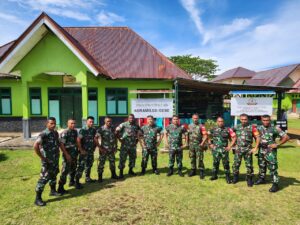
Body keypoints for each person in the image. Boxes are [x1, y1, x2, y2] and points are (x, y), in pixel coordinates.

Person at [34, 117, 71, 206]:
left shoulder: (55, 133)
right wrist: (42, 157)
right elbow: (35, 145)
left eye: (54, 123)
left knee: (54, 175)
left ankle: (53, 191)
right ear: (47, 124)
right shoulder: (44, 134)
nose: (53, 125)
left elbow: (59, 144)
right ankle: (37, 198)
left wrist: (66, 154)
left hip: (55, 159)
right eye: (51, 123)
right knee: (44, 178)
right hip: (47, 161)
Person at [255, 114, 290, 192]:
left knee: (273, 168)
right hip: (261, 150)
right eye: (264, 120)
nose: (266, 122)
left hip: (270, 151)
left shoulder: (275, 128)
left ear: (270, 120)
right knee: (261, 165)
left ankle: (275, 184)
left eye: (267, 120)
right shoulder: (259, 128)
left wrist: (277, 144)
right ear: (261, 120)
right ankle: (262, 179)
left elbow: (286, 137)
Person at [232, 114, 260, 187]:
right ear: (240, 119)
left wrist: (255, 147)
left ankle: (249, 179)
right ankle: (235, 177)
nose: (244, 121)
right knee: (236, 164)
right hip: (238, 149)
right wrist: (233, 144)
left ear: (247, 119)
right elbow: (231, 135)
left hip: (248, 149)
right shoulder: (236, 127)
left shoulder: (252, 128)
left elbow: (257, 137)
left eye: (245, 119)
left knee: (249, 165)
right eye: (242, 119)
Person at [208, 117, 236, 184]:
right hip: (216, 150)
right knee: (215, 163)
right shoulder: (213, 129)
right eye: (219, 121)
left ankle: (228, 177)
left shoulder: (228, 129)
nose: (220, 123)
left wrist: (230, 146)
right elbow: (207, 135)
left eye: (222, 121)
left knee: (226, 164)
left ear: (223, 122)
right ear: (217, 122)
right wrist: (210, 144)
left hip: (224, 150)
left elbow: (234, 137)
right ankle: (214, 176)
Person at [75, 116, 98, 189]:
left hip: (90, 151)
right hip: (84, 152)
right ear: (86, 122)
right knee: (81, 166)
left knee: (89, 164)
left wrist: (94, 147)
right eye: (90, 122)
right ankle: (77, 182)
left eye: (92, 122)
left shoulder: (93, 130)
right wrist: (81, 150)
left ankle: (87, 178)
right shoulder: (83, 130)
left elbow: (94, 139)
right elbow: (78, 140)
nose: (91, 123)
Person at [58, 119, 79, 194]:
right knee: (65, 171)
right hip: (68, 155)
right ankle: (60, 187)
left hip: (74, 154)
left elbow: (76, 141)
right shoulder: (65, 132)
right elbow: (61, 144)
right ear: (68, 124)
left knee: (73, 168)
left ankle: (72, 182)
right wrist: (66, 155)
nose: (73, 125)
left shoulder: (75, 131)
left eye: (74, 123)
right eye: (71, 123)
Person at [97, 116, 119, 182]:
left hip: (111, 149)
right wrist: (100, 148)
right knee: (101, 163)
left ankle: (113, 175)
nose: (109, 122)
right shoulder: (101, 129)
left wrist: (116, 146)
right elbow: (95, 138)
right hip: (104, 150)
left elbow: (115, 137)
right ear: (105, 121)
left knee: (112, 162)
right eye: (108, 121)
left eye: (110, 121)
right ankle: (100, 177)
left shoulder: (112, 128)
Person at [187, 113, 208, 179]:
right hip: (191, 145)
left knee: (200, 159)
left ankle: (201, 171)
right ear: (192, 119)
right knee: (192, 158)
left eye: (196, 118)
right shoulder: (189, 126)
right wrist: (187, 143)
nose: (195, 119)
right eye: (194, 118)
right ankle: (193, 170)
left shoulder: (202, 126)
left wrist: (202, 143)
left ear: (198, 119)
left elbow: (205, 136)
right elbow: (188, 135)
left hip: (199, 145)